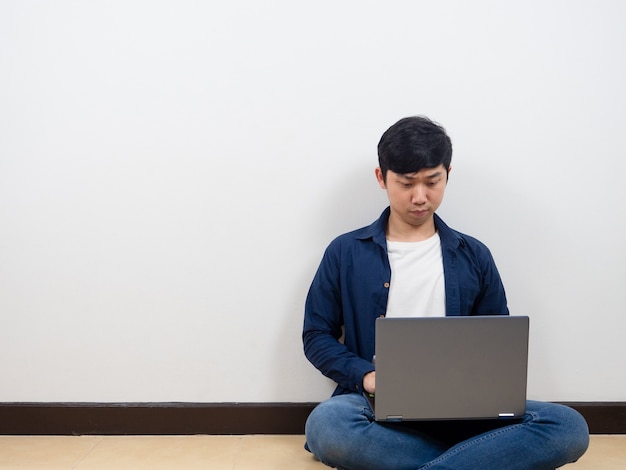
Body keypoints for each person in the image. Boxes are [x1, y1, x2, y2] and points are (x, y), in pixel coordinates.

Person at [302, 116, 589, 470]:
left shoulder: (474, 255)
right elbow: (316, 335)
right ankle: (476, 459)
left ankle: (431, 461)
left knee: (568, 427)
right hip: (375, 405)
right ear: (382, 178)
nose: (420, 197)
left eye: (432, 181)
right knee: (327, 425)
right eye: (406, 183)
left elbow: (497, 341)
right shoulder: (345, 252)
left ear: (448, 174)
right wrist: (366, 376)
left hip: (466, 409)